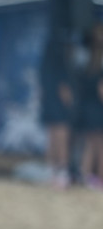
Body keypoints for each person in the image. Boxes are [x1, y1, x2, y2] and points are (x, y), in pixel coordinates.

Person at [39, 36, 76, 189]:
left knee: (52, 138)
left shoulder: (45, 66)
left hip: (50, 104)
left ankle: (51, 172)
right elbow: (65, 93)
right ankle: (62, 173)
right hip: (59, 108)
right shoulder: (62, 66)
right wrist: (71, 104)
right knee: (61, 139)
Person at [77, 23, 103, 190]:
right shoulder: (99, 64)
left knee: (90, 144)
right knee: (100, 146)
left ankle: (85, 177)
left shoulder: (85, 60)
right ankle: (100, 178)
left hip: (86, 108)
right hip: (97, 110)